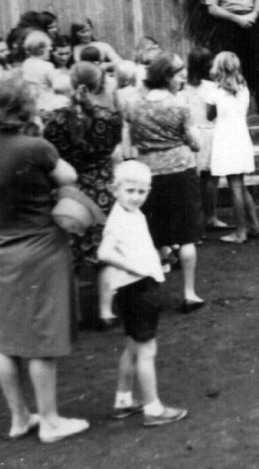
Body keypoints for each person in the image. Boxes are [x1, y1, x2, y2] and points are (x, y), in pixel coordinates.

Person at [0, 78, 90, 442]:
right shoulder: (36, 147)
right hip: (38, 249)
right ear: (27, 109)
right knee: (41, 337)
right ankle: (52, 421)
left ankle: (20, 417)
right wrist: (38, 135)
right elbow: (68, 176)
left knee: (6, 340)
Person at [97, 160, 189, 427]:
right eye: (130, 191)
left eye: (142, 192)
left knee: (133, 346)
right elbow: (104, 253)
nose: (136, 197)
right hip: (137, 288)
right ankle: (153, 408)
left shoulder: (129, 214)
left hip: (135, 287)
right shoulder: (118, 219)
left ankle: (124, 400)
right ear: (115, 189)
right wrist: (137, 268)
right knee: (147, 349)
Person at [42, 61, 124, 328]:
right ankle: (105, 312)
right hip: (102, 189)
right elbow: (112, 152)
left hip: (70, 192)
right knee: (104, 252)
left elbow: (51, 157)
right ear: (98, 85)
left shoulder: (53, 121)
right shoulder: (110, 119)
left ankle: (74, 314)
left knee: (71, 253)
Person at [123, 53, 204, 313]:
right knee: (187, 234)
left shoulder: (134, 105)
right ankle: (189, 293)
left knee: (153, 235)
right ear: (167, 76)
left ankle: (153, 295)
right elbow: (194, 142)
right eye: (179, 73)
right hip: (180, 170)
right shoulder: (179, 105)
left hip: (149, 173)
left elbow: (130, 142)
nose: (182, 77)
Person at [207, 52, 259, 244]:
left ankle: (240, 231)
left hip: (225, 136)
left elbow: (209, 115)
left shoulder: (215, 90)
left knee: (234, 185)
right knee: (240, 183)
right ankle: (254, 225)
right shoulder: (243, 87)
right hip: (240, 134)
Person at [177, 47, 231, 233]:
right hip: (208, 133)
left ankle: (197, 219)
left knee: (195, 178)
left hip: (191, 133)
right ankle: (210, 217)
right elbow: (212, 114)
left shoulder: (182, 88)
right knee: (211, 178)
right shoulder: (212, 87)